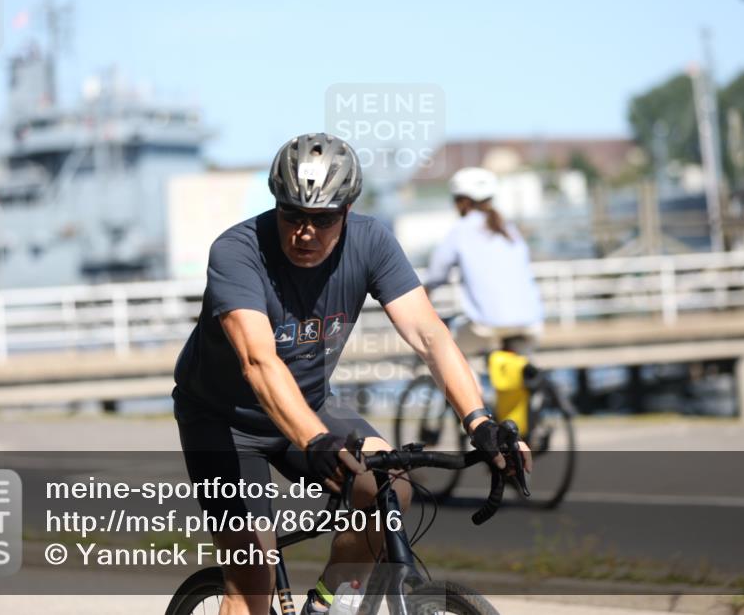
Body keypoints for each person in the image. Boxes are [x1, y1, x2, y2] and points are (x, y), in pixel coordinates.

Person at [172, 134, 531, 615]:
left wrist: (478, 421)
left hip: (311, 404)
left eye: (322, 220)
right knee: (252, 576)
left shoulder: (371, 241)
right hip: (224, 423)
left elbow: (429, 334)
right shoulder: (238, 253)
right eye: (293, 215)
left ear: (347, 210)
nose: (306, 232)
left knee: (390, 486)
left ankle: (325, 604)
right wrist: (315, 440)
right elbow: (258, 362)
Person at [425, 167, 544, 356]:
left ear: (462, 201)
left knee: (442, 348)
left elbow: (435, 276)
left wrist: (423, 299)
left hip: (486, 325)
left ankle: (468, 385)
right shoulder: (509, 230)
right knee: (516, 375)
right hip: (530, 323)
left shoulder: (460, 231)